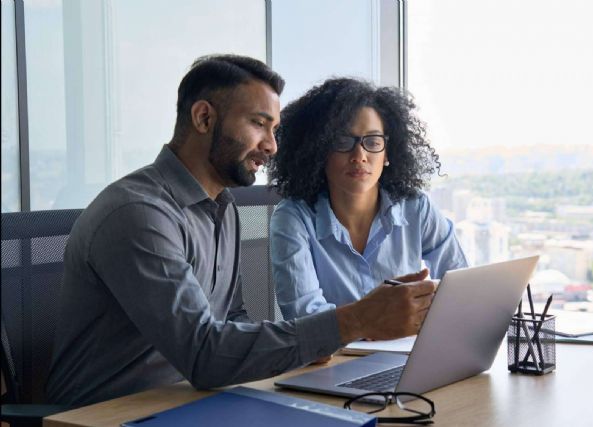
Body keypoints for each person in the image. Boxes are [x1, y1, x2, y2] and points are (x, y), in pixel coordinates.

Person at [45, 55, 437, 407]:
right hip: (110, 414)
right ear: (204, 118)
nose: (271, 146)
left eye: (275, 129)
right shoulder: (139, 214)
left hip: (195, 402)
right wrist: (353, 321)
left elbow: (232, 320)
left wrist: (310, 341)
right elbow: (204, 354)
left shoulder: (223, 208)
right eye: (258, 124)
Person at [268, 78, 467, 321]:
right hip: (334, 358)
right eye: (343, 141)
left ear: (387, 153)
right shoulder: (293, 218)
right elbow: (305, 318)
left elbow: (461, 286)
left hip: (410, 352)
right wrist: (376, 320)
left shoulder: (416, 208)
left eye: (372, 142)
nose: (359, 156)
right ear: (319, 150)